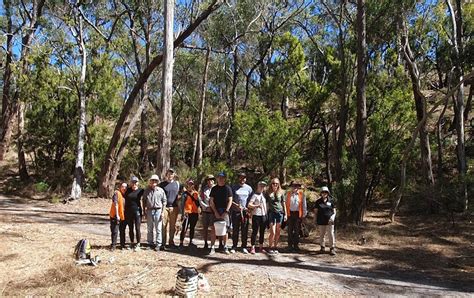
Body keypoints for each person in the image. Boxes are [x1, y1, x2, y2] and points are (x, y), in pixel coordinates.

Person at [209, 172, 233, 255]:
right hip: (215, 211)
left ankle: (225, 246)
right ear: (217, 178)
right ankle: (212, 247)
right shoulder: (214, 189)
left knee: (225, 230)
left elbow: (230, 200)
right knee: (213, 229)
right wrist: (215, 212)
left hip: (225, 211)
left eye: (222, 178)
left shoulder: (228, 188)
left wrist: (226, 211)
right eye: (219, 177)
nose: (221, 179)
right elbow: (211, 201)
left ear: (225, 179)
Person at [142, 174, 167, 252]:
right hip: (149, 210)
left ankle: (158, 244)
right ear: (150, 181)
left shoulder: (160, 190)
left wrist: (163, 212)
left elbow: (164, 201)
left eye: (155, 180)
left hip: (158, 210)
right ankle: (150, 243)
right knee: (150, 228)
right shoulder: (146, 190)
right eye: (152, 180)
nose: (154, 182)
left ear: (157, 182)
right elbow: (144, 201)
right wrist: (144, 211)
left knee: (158, 229)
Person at [230, 172, 253, 254]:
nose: (242, 179)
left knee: (245, 230)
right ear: (238, 178)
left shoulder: (249, 189)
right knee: (235, 230)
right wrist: (236, 205)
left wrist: (249, 209)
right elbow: (230, 200)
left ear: (246, 179)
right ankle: (234, 246)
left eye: (244, 178)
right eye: (241, 177)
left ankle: (244, 246)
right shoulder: (234, 187)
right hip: (236, 212)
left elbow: (251, 200)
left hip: (245, 212)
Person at [159, 168, 180, 249]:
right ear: (166, 175)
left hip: (174, 208)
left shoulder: (177, 184)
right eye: (168, 174)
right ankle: (163, 243)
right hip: (164, 207)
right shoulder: (162, 184)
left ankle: (171, 242)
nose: (170, 175)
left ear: (174, 175)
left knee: (172, 226)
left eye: (171, 174)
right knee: (163, 225)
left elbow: (183, 193)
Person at [314, 186, 336, 256]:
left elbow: (334, 211)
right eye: (323, 192)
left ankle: (332, 248)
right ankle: (322, 247)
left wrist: (332, 218)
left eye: (326, 192)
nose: (324, 193)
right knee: (321, 235)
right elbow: (316, 212)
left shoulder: (331, 201)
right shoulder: (318, 202)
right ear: (321, 193)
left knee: (331, 234)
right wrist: (314, 220)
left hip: (330, 221)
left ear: (328, 193)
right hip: (321, 220)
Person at [286, 181, 307, 252]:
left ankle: (296, 246)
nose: (295, 187)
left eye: (296, 186)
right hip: (290, 214)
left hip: (298, 215)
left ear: (298, 187)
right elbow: (285, 204)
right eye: (293, 186)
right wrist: (285, 214)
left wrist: (304, 215)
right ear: (291, 187)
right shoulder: (288, 194)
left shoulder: (302, 194)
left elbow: (304, 205)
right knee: (289, 230)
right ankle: (289, 246)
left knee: (297, 231)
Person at [125, 176, 144, 251]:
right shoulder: (128, 190)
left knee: (137, 228)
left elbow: (146, 197)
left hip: (137, 211)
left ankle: (138, 243)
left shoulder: (141, 190)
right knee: (130, 228)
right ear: (130, 183)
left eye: (135, 182)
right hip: (129, 212)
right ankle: (132, 243)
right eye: (133, 182)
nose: (134, 184)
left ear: (138, 183)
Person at [267, 178, 286, 254]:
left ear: (279, 184)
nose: (275, 185)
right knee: (273, 232)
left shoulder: (281, 192)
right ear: (271, 184)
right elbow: (266, 204)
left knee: (278, 232)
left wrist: (286, 214)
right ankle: (270, 247)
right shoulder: (268, 192)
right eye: (273, 183)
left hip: (280, 213)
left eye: (276, 184)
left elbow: (283, 203)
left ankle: (275, 247)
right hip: (272, 213)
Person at [248, 181, 268, 254]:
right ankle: (252, 247)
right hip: (256, 215)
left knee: (262, 232)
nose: (262, 188)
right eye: (261, 186)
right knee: (255, 231)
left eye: (263, 186)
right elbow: (249, 204)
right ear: (258, 186)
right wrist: (256, 206)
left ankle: (261, 247)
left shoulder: (264, 195)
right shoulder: (255, 195)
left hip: (264, 215)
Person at [179, 179, 200, 249]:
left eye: (192, 184)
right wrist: (182, 214)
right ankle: (181, 243)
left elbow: (198, 203)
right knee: (184, 228)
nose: (190, 185)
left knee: (192, 228)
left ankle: (191, 241)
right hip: (187, 213)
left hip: (194, 213)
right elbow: (182, 205)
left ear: (193, 185)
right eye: (189, 184)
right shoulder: (184, 194)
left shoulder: (196, 193)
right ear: (187, 185)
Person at [109, 182, 127, 250]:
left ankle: (122, 245)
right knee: (115, 231)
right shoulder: (117, 193)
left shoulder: (125, 195)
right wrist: (117, 215)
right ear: (120, 187)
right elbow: (115, 204)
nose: (124, 188)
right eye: (123, 186)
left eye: (125, 187)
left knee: (122, 231)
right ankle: (113, 246)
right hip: (115, 215)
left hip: (122, 216)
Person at [199, 174, 215, 249]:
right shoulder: (203, 189)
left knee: (213, 228)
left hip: (214, 211)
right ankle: (205, 243)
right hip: (205, 211)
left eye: (211, 179)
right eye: (208, 180)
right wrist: (205, 207)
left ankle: (213, 244)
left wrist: (213, 207)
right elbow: (200, 199)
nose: (210, 181)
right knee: (205, 228)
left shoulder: (216, 188)